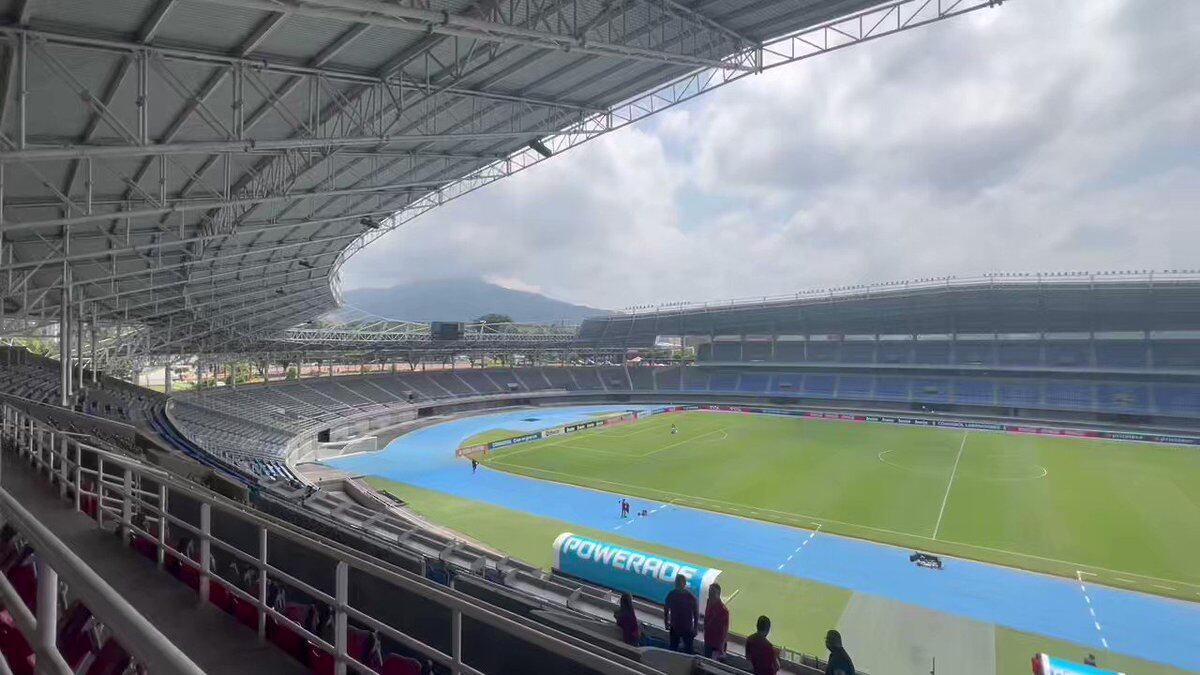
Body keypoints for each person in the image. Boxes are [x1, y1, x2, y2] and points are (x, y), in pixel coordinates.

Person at [663, 574, 699, 654]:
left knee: (688, 649)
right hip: (675, 626)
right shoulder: (671, 595)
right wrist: (666, 622)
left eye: (679, 582)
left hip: (687, 628)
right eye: (676, 582)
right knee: (673, 648)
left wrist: (695, 628)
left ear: (684, 584)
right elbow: (666, 609)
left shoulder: (690, 597)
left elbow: (696, 614)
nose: (677, 584)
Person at [703, 583, 729, 660]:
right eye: (709, 591)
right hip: (708, 641)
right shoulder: (709, 603)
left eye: (713, 592)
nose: (710, 594)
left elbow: (725, 630)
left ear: (718, 594)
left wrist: (721, 647)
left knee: (713, 666)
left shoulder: (723, 611)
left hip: (716, 645)